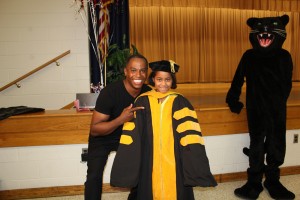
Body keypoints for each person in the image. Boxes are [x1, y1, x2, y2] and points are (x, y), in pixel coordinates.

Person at [110, 60, 217, 200]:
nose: (163, 83)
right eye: (159, 79)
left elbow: (190, 135)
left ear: (172, 81)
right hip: (149, 157)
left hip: (175, 157)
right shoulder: (142, 101)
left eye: (167, 79)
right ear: (153, 79)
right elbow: (133, 134)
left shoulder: (180, 101)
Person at [84, 54, 152, 200]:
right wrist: (120, 119)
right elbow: (95, 129)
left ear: (147, 73)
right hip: (103, 137)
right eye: (133, 70)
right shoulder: (110, 92)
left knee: (144, 169)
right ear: (125, 72)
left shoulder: (148, 93)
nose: (138, 75)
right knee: (94, 176)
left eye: (142, 70)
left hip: (130, 137)